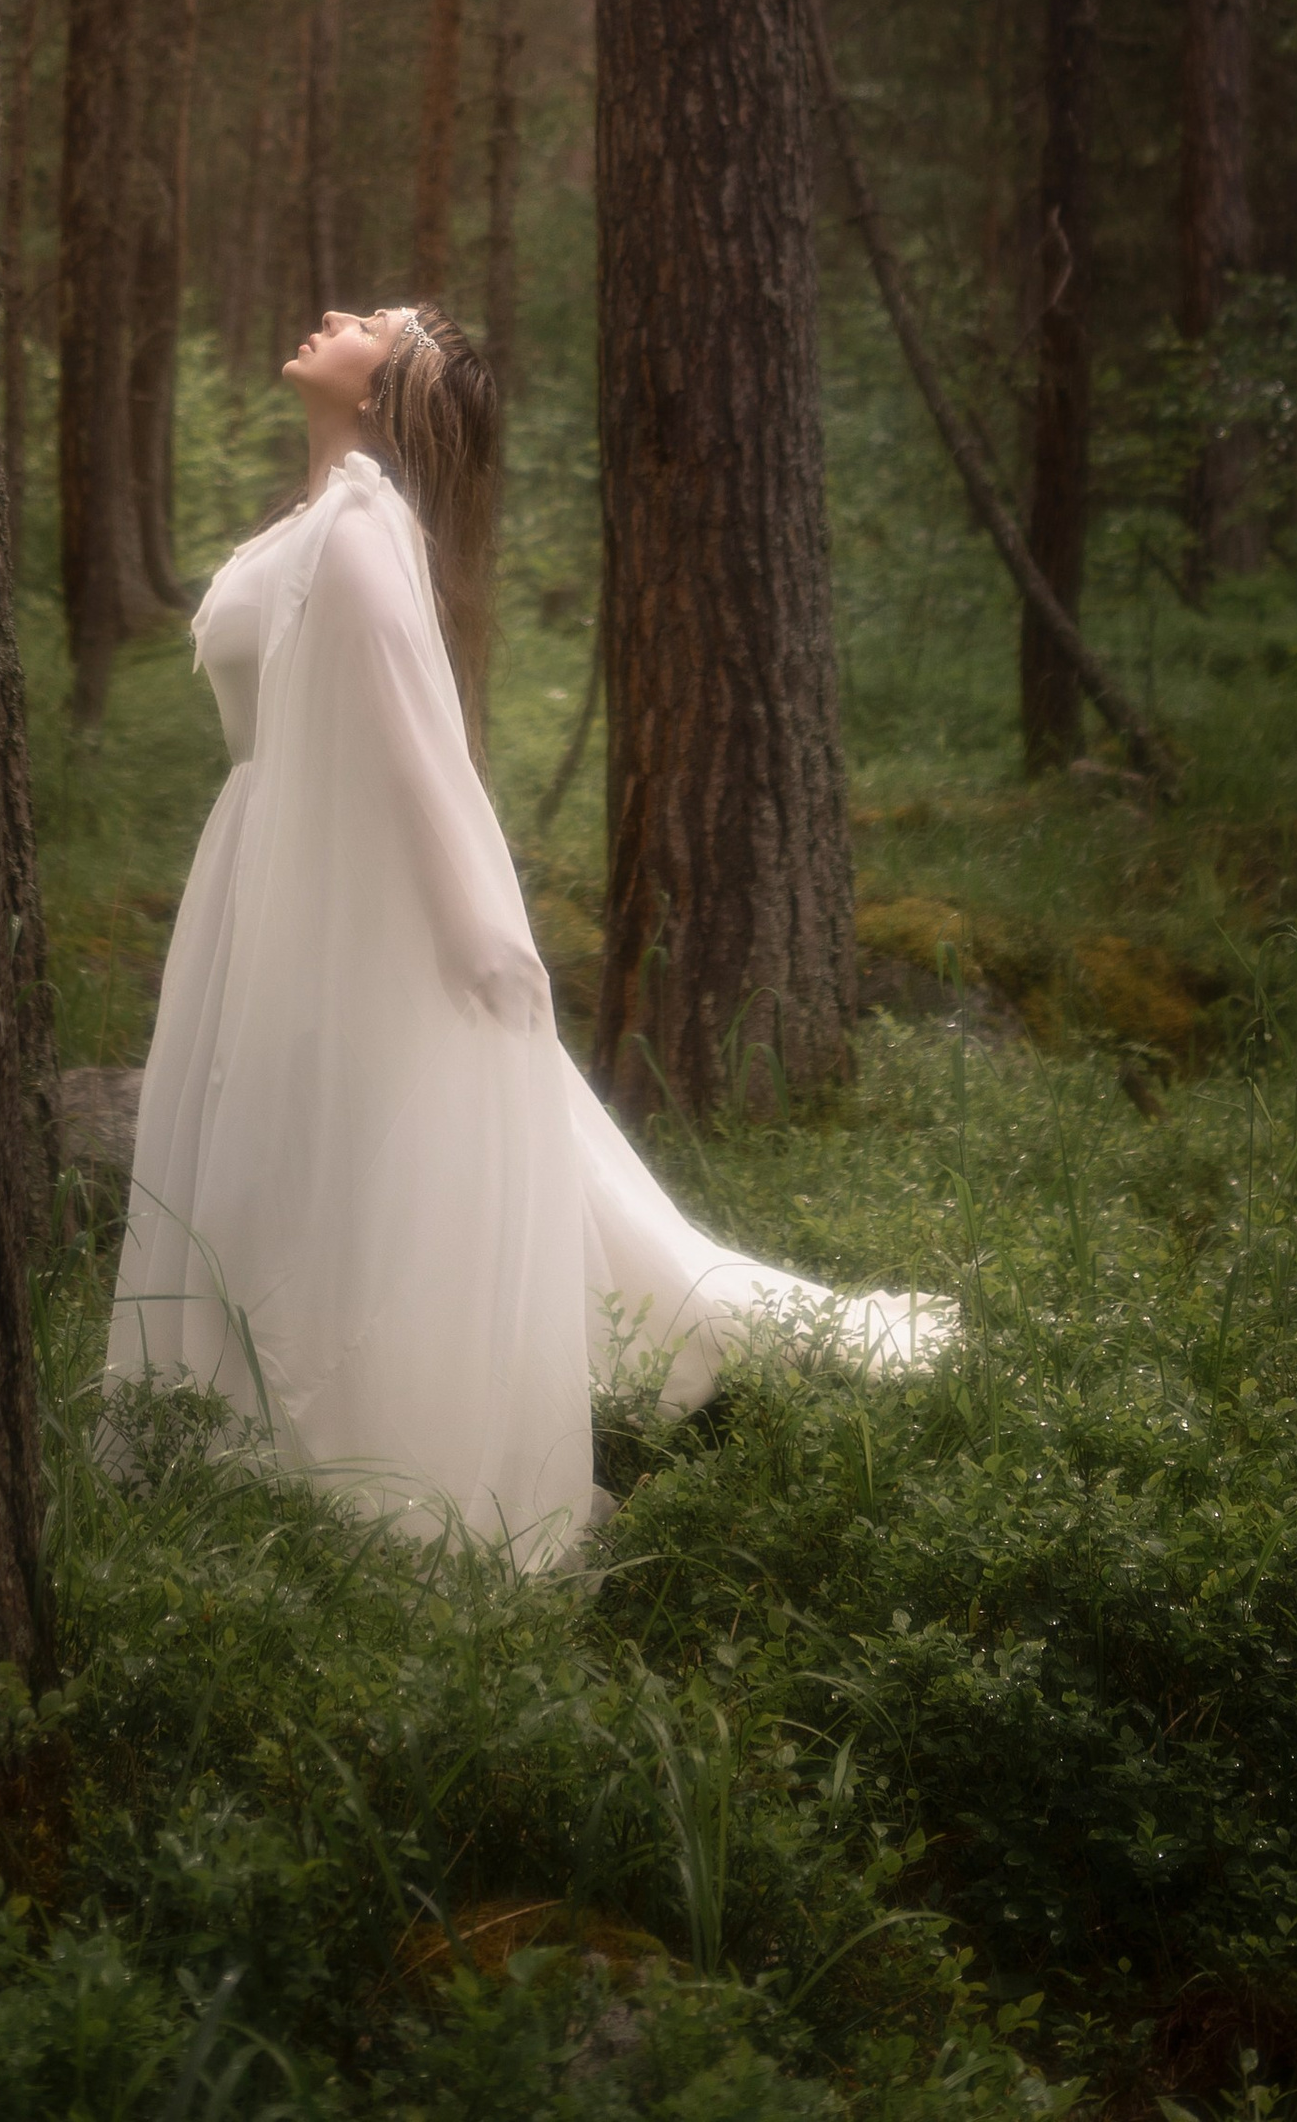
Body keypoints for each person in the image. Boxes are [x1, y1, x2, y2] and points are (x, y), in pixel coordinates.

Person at [106, 300, 952, 1567]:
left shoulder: (360, 531)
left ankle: (381, 1467)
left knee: (365, 1167)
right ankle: (235, 1435)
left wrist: (489, 956)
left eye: (369, 319)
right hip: (274, 872)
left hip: (346, 898)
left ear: (391, 385)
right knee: (283, 1153)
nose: (334, 313)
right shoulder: (318, 521)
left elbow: (419, 758)